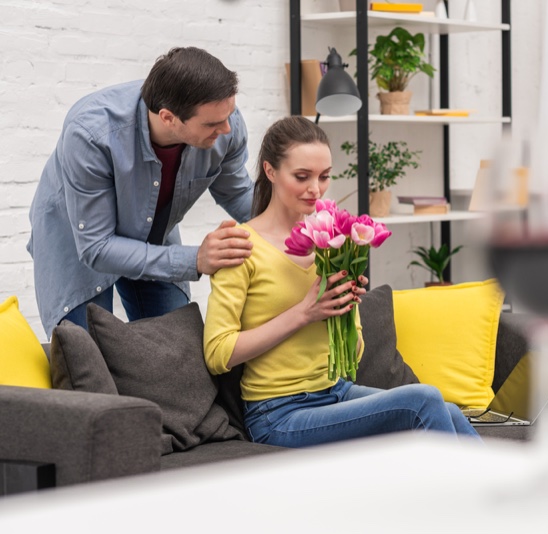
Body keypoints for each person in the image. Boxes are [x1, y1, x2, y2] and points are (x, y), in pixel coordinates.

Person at [203, 116, 480, 447]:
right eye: (302, 176)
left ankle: (501, 493)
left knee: (448, 411)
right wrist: (305, 312)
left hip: (337, 390)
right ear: (270, 171)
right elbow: (217, 353)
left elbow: (356, 353)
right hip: (277, 413)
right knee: (424, 401)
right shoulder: (241, 246)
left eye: (324, 177)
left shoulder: (334, 242)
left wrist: (347, 311)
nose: (315, 189)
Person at [28, 46, 255, 337]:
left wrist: (302, 231)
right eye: (212, 123)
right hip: (78, 240)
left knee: (178, 350)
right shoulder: (91, 133)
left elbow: (236, 194)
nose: (227, 128)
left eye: (229, 116)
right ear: (168, 117)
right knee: (87, 363)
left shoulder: (226, 124)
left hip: (153, 233)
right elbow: (97, 247)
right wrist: (196, 259)